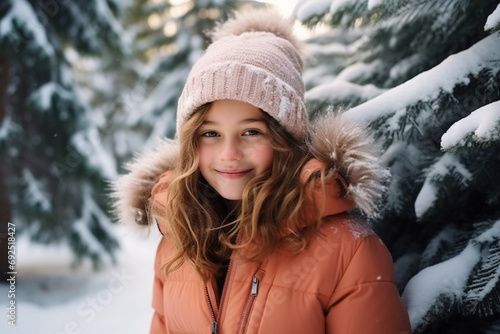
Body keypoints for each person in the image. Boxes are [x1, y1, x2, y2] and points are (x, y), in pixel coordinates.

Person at [112, 7, 412, 334]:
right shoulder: (178, 237)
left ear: (285, 137)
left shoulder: (347, 250)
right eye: (210, 133)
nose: (228, 154)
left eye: (251, 132)